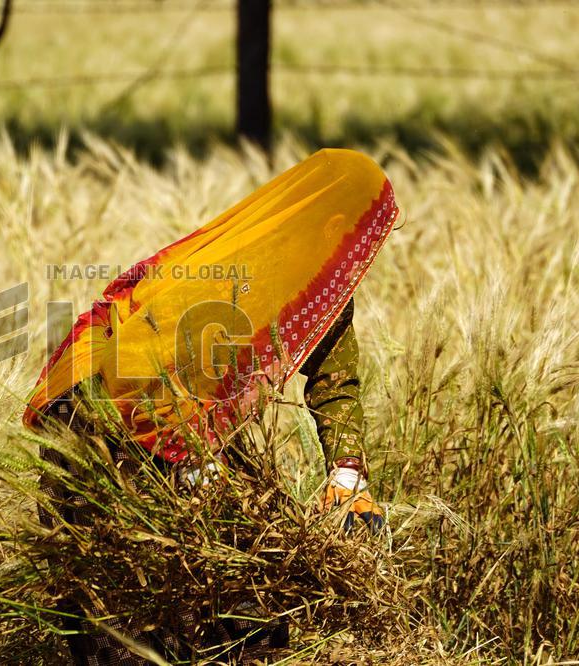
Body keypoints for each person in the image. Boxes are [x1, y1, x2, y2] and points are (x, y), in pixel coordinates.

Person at [23, 149, 396, 663]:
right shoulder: (237, 267)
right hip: (104, 423)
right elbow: (133, 360)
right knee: (110, 608)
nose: (369, 252)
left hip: (178, 436)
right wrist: (197, 463)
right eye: (367, 234)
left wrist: (348, 473)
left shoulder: (326, 280)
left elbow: (337, 380)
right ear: (336, 223)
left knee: (252, 599)